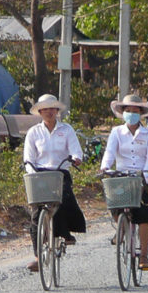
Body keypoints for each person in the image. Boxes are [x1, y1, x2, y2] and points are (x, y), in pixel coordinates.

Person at [23, 94, 86, 272]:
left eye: (52, 108)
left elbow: (76, 151)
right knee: (36, 215)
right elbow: (28, 157)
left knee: (64, 200)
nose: (49, 112)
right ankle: (37, 257)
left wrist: (76, 159)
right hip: (40, 175)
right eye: (45, 108)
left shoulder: (66, 130)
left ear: (57, 111)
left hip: (60, 172)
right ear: (40, 112)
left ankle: (65, 234)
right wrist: (32, 172)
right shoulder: (34, 132)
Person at [101, 94, 148, 270]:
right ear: (123, 112)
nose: (131, 114)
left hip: (142, 177)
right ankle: (120, 229)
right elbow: (109, 152)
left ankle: (143, 254)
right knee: (114, 201)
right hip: (121, 176)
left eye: (135, 111)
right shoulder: (116, 132)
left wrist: (146, 178)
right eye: (128, 111)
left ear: (140, 114)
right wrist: (105, 167)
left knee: (146, 215)